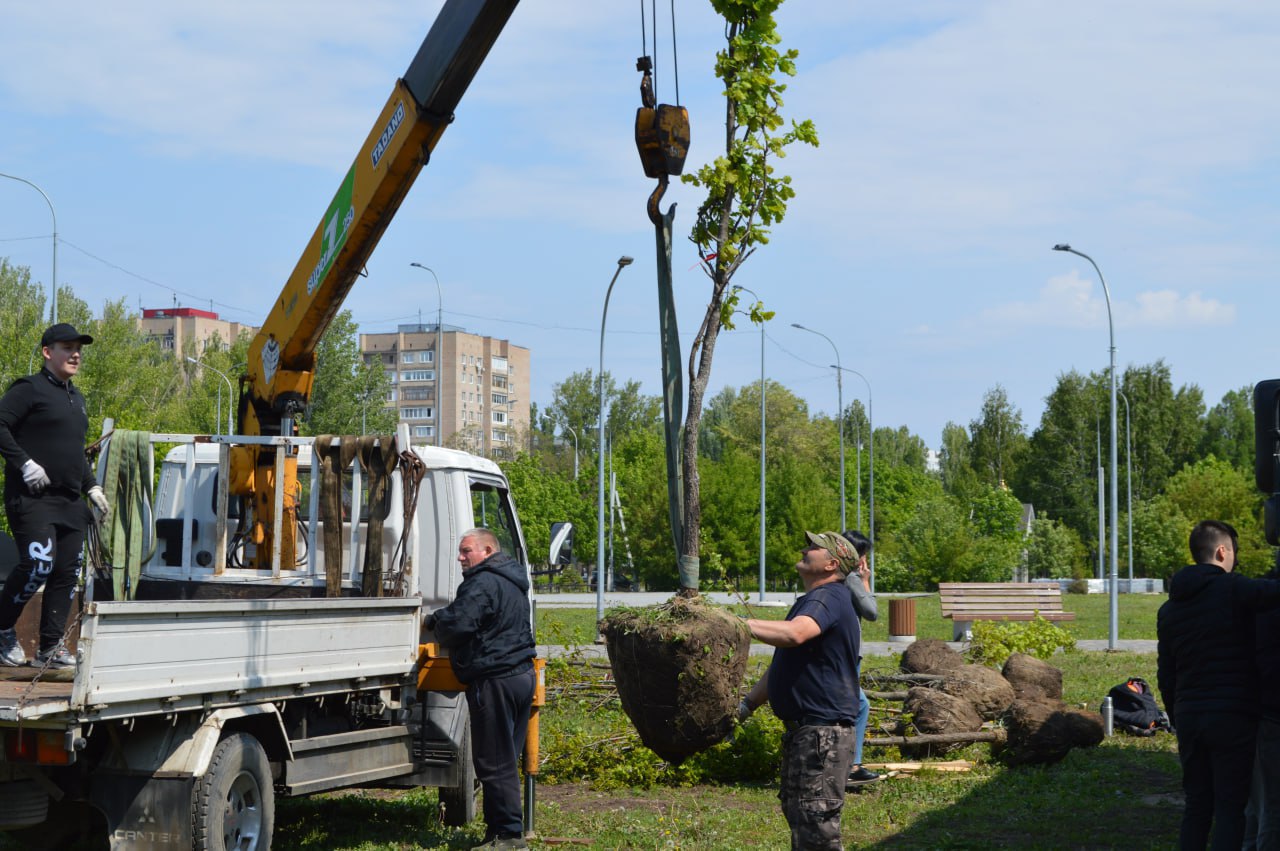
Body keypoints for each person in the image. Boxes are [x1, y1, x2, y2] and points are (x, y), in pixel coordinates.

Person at [1157, 520, 1280, 850]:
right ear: (1222, 551)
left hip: (1189, 717)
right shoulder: (1234, 589)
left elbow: (1166, 675)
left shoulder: (1170, 609)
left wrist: (1177, 716)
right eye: (1234, 553)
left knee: (1197, 808)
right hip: (1232, 717)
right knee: (1229, 810)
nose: (1236, 561)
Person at [739, 530, 861, 850]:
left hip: (822, 735)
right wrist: (747, 706)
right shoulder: (813, 601)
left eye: (813, 548)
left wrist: (740, 625)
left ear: (831, 564)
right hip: (807, 733)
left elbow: (795, 635)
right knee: (803, 821)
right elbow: (783, 666)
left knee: (816, 828)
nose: (805, 550)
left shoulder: (829, 596)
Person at [0, 324, 109, 670]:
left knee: (66, 573)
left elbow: (75, 451)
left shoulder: (76, 399)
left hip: (69, 503)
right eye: (67, 347)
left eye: (79, 348)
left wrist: (91, 486)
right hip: (32, 498)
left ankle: (50, 647)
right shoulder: (27, 389)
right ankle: (2, 630)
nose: (75, 354)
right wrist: (24, 463)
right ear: (48, 352)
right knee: (38, 565)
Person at [427, 528, 536, 851]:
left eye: (466, 551)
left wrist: (435, 623)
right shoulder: (511, 579)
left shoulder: (482, 581)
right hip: (520, 676)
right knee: (505, 758)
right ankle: (500, 832)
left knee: (494, 761)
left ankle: (508, 837)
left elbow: (459, 624)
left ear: (487, 551)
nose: (461, 558)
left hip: (495, 680)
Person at [842, 529, 881, 787]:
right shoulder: (851, 578)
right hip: (847, 653)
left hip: (842, 651)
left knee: (856, 704)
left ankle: (848, 763)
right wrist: (865, 581)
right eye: (863, 555)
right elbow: (872, 612)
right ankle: (852, 765)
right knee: (858, 705)